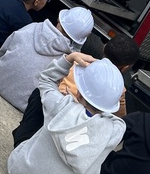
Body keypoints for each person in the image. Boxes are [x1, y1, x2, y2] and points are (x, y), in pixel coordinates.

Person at [7, 52, 125, 174]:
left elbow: (46, 80)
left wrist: (69, 58)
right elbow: (120, 119)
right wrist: (114, 98)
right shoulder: (115, 131)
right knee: (95, 167)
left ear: (78, 92)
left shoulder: (60, 105)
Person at [12, 32, 140, 148]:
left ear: (104, 47)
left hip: (48, 119)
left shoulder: (79, 64)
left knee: (38, 94)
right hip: (74, 138)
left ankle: (24, 135)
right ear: (125, 67)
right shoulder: (119, 91)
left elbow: (48, 81)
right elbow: (120, 120)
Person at [0, 6, 94, 109]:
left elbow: (3, 51)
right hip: (24, 104)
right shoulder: (66, 61)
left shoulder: (33, 27)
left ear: (59, 19)